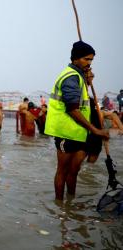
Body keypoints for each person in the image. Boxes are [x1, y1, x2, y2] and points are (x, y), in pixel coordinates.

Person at [44, 41, 109, 200]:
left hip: (79, 132)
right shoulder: (71, 77)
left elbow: (81, 103)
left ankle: (70, 203)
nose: (89, 63)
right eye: (86, 59)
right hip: (66, 132)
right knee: (63, 171)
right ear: (75, 59)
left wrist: (87, 81)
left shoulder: (79, 76)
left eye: (91, 60)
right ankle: (60, 208)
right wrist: (95, 130)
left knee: (74, 172)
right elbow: (72, 109)